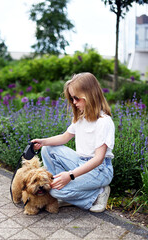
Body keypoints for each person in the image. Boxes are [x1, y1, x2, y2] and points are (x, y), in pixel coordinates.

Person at [32, 72, 115, 212]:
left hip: (100, 171)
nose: (74, 102)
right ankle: (63, 186)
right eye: (72, 99)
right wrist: (43, 141)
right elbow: (64, 137)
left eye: (76, 98)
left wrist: (70, 176)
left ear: (89, 95)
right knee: (48, 149)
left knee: (54, 192)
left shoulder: (103, 122)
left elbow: (99, 159)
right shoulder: (81, 118)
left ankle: (98, 193)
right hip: (80, 162)